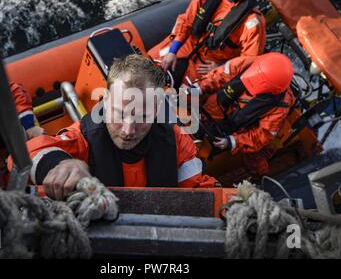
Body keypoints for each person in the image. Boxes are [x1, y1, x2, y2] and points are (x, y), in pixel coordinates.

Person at [14, 54, 219, 200]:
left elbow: (198, 188)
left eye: (142, 117)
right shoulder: (84, 139)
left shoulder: (176, 141)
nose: (128, 131)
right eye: (120, 114)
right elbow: (28, 154)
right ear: (106, 101)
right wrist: (59, 165)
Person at [148, 0, 266, 87]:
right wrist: (173, 50)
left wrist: (220, 67)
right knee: (147, 63)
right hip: (187, 45)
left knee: (185, 96)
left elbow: (248, 60)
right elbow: (186, 22)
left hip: (209, 64)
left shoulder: (252, 23)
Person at [191, 52, 295, 176]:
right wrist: (199, 87)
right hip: (210, 109)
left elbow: (262, 135)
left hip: (232, 131)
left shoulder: (279, 107)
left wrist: (233, 142)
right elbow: (220, 75)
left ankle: (258, 179)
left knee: (255, 161)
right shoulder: (246, 63)